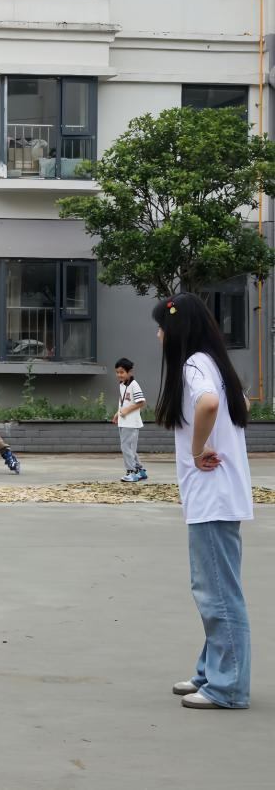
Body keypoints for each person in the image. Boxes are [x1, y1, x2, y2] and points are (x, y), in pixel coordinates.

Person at [152, 293, 252, 710]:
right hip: (221, 496)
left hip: (212, 496)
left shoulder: (194, 365)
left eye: (161, 327)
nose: (159, 335)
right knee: (216, 589)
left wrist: (197, 450)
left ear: (177, 330)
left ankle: (227, 687)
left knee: (217, 594)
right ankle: (211, 673)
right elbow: (241, 403)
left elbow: (208, 404)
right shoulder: (215, 363)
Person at [111, 357, 148, 482]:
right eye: (117, 372)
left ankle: (131, 472)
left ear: (130, 372)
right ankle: (140, 471)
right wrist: (118, 413)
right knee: (130, 448)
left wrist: (126, 411)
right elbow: (124, 402)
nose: (119, 375)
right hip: (124, 422)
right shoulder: (122, 385)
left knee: (126, 448)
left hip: (131, 423)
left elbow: (141, 402)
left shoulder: (134, 385)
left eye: (122, 372)